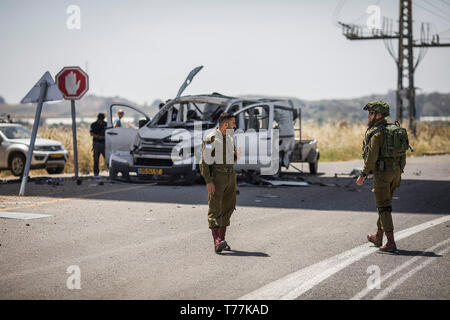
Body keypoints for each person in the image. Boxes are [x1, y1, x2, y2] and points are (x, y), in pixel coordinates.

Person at [356, 101, 405, 252]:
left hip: (383, 173)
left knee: (384, 207)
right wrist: (398, 171)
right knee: (385, 204)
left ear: (379, 115)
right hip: (396, 172)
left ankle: (390, 243)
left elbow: (371, 158)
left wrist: (363, 175)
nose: (369, 116)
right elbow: (403, 154)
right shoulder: (393, 130)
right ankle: (378, 236)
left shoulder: (377, 133)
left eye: (371, 113)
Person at [200, 113, 238, 253]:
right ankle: (217, 242)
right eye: (233, 123)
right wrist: (208, 181)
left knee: (228, 207)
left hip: (230, 177)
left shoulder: (229, 137)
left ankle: (222, 239)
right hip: (217, 177)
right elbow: (204, 161)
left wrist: (235, 156)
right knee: (215, 208)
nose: (235, 125)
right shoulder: (211, 139)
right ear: (225, 124)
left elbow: (231, 158)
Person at [90, 113, 107, 177]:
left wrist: (104, 137)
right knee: (96, 159)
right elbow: (91, 133)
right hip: (96, 143)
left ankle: (111, 172)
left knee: (107, 158)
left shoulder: (106, 124)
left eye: (102, 119)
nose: (101, 121)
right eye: (100, 119)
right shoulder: (93, 124)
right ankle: (96, 173)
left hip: (104, 143)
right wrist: (97, 136)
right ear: (98, 118)